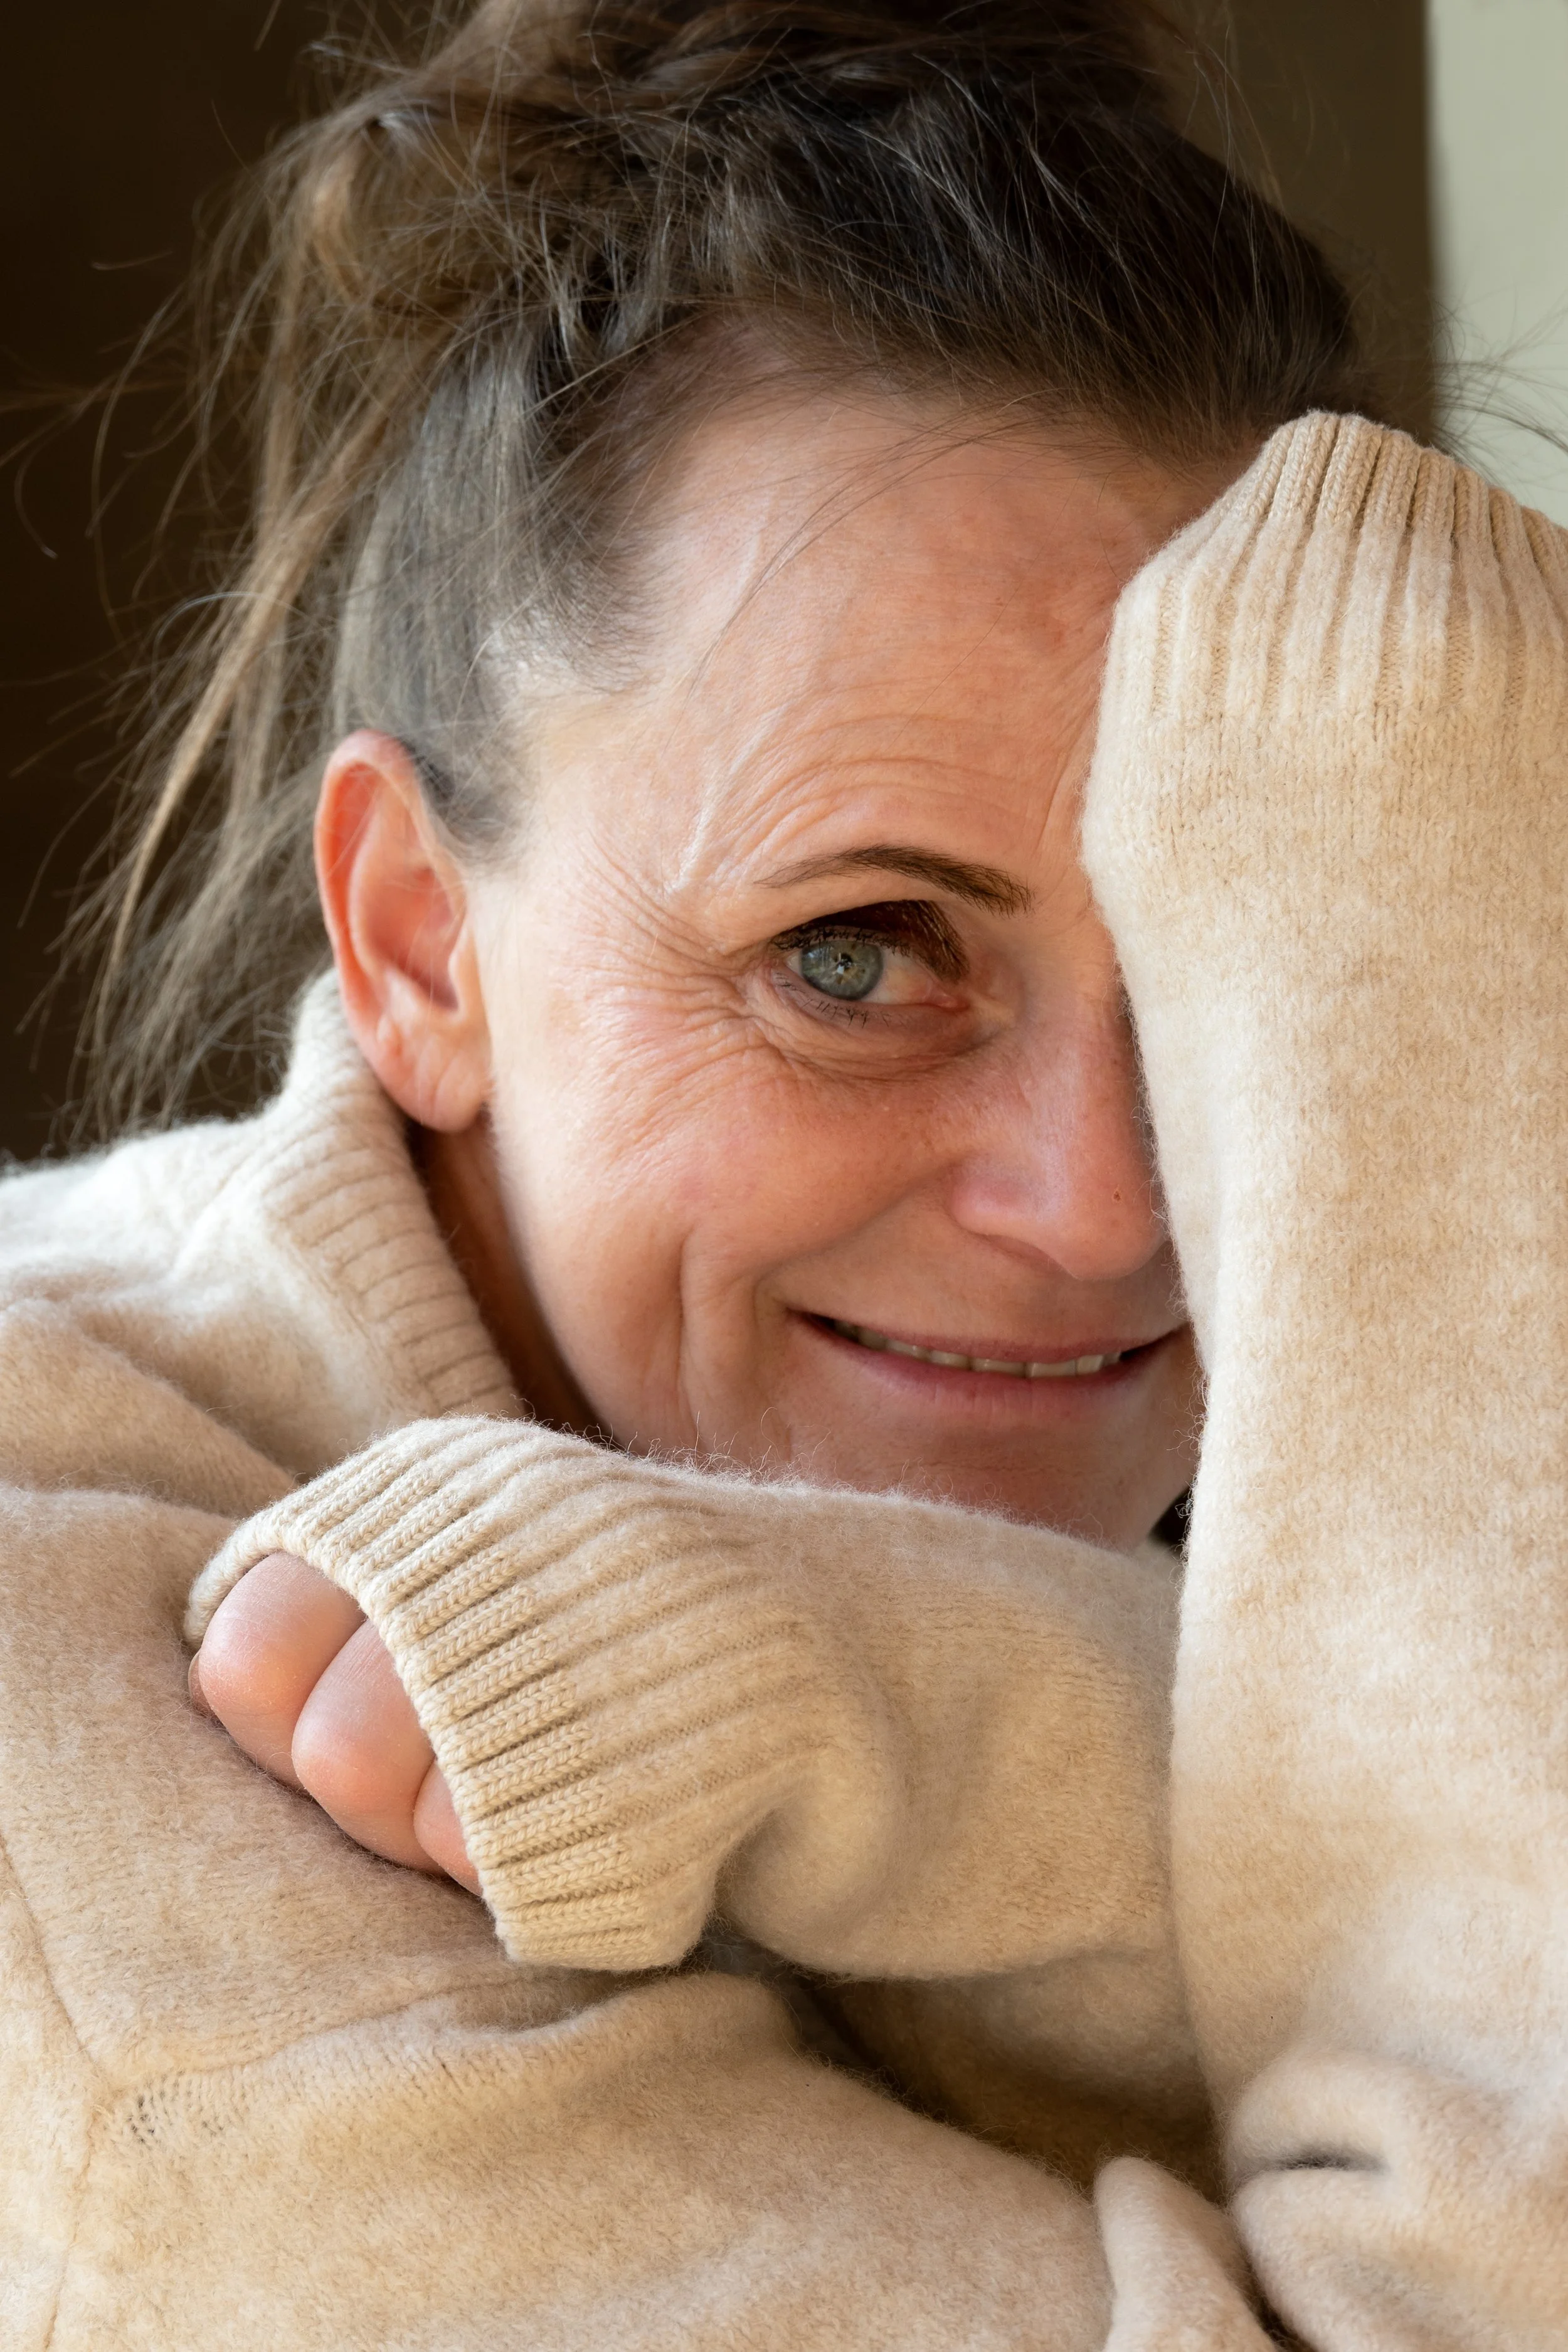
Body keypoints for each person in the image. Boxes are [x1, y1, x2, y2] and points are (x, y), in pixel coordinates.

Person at [1, 5, 1563, 2349]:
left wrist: (803, 1667)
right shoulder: (74, 1796)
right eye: (852, 954)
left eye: (1233, 966)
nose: (1104, 1207)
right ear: (418, 937)